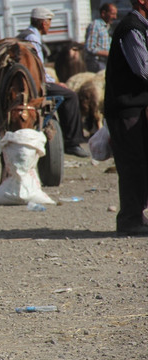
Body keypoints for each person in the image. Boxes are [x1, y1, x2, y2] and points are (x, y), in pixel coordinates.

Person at [17, 8, 89, 158]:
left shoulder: (26, 35)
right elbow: (38, 69)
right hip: (34, 84)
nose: (50, 26)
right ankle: (72, 142)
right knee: (70, 95)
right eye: (49, 22)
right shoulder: (33, 39)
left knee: (63, 91)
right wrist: (54, 82)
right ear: (43, 23)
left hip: (26, 82)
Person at [104, 0, 148, 235]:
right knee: (132, 163)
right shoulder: (132, 28)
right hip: (126, 109)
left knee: (140, 162)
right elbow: (143, 68)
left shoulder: (141, 27)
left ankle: (136, 216)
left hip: (136, 107)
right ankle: (130, 220)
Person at [85, 3, 118, 73]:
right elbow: (90, 47)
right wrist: (108, 54)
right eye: (112, 14)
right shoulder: (95, 25)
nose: (115, 17)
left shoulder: (107, 27)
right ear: (103, 13)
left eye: (115, 14)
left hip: (105, 62)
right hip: (97, 63)